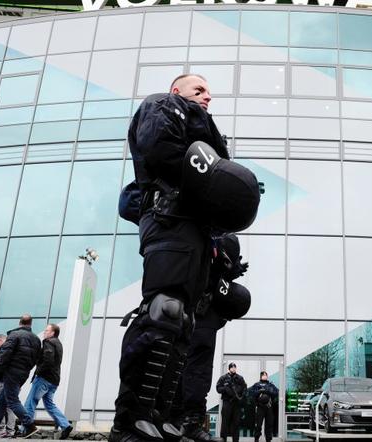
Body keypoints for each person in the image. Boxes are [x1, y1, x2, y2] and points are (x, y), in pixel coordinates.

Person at [112, 72, 259, 442]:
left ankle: (162, 415)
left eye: (210, 91)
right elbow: (161, 150)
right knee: (164, 310)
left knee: (184, 324)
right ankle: (131, 419)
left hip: (196, 232)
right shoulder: (164, 105)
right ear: (178, 90)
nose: (207, 96)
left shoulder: (207, 131)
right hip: (169, 222)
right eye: (199, 89)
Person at [175, 233, 250, 442]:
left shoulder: (226, 239)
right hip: (191, 311)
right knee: (184, 366)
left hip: (205, 316)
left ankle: (191, 421)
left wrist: (230, 272)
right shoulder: (205, 231)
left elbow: (216, 276)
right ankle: (180, 420)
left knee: (199, 369)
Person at [0, 314, 41, 439]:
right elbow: (36, 359)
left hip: (11, 373)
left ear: (19, 323)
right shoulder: (36, 339)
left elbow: (4, 354)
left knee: (12, 400)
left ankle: (30, 425)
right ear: (30, 324)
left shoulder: (14, 335)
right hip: (23, 374)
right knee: (2, 402)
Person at [24, 324, 72, 440]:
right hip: (54, 380)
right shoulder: (58, 344)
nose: (44, 332)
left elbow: (48, 361)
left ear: (53, 333)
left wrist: (38, 372)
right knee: (49, 404)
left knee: (30, 403)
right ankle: (65, 425)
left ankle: (26, 429)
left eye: (47, 330)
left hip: (44, 378)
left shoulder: (48, 342)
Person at [216, 363, 246, 442]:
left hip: (236, 403)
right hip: (227, 403)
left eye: (234, 367)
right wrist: (225, 388)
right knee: (225, 423)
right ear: (229, 369)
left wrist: (241, 397)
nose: (233, 369)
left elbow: (244, 388)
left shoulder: (240, 378)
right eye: (232, 367)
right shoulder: (223, 378)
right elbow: (218, 389)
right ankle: (223, 440)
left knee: (236, 423)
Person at [248, 371, 279, 442]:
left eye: (266, 375)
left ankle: (268, 439)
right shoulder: (257, 384)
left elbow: (276, 392)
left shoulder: (271, 385)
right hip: (260, 407)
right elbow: (251, 393)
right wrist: (259, 391)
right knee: (258, 425)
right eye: (263, 375)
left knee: (269, 425)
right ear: (261, 376)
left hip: (268, 407)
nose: (265, 376)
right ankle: (256, 439)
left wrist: (268, 391)